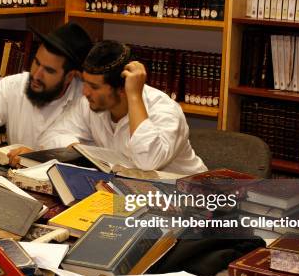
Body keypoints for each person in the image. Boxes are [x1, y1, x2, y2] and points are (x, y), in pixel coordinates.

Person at [0, 22, 93, 176]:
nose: (37, 74)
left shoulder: (89, 101)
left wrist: (38, 158)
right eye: (36, 62)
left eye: (49, 70)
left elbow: (94, 163)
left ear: (69, 76)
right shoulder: (13, 85)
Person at [47, 40, 207, 175]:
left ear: (123, 88)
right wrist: (79, 151)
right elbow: (54, 134)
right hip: (131, 195)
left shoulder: (165, 110)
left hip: (189, 197)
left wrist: (135, 96)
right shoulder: (91, 103)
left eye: (94, 87)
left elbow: (147, 161)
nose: (85, 92)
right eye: (85, 83)